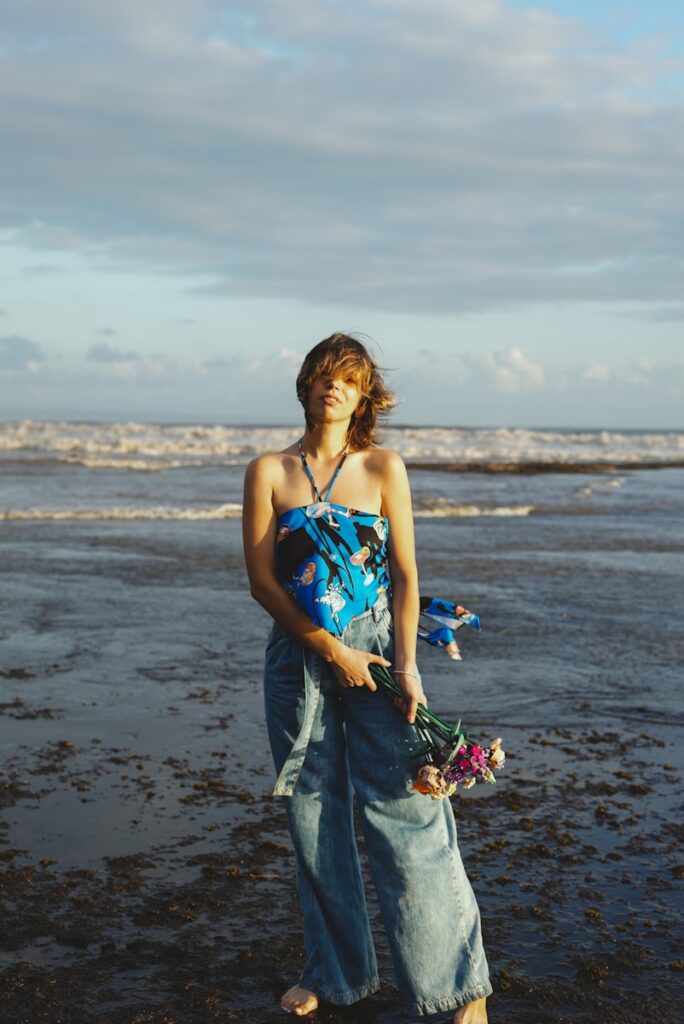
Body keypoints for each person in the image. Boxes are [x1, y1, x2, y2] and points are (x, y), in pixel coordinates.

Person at [242, 333, 492, 1022]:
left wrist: (406, 665)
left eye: (347, 380)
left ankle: (461, 990)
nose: (333, 387)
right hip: (299, 658)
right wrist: (329, 649)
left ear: (363, 396)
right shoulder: (269, 470)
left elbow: (408, 574)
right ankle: (336, 972)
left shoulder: (384, 467)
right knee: (314, 815)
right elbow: (263, 582)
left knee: (409, 812)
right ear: (305, 386)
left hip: (380, 653)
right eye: (323, 375)